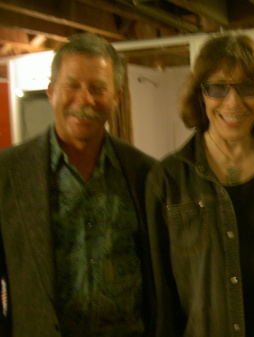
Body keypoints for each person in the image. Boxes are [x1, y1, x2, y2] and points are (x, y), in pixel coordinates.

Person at [145, 32, 254, 337]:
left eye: (248, 87)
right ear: (201, 94)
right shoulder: (168, 180)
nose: (233, 101)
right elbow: (163, 295)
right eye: (218, 87)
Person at [0, 33, 158, 337]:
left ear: (116, 97)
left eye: (98, 88)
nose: (84, 99)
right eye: (72, 85)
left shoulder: (146, 173)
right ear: (51, 92)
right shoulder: (7, 174)